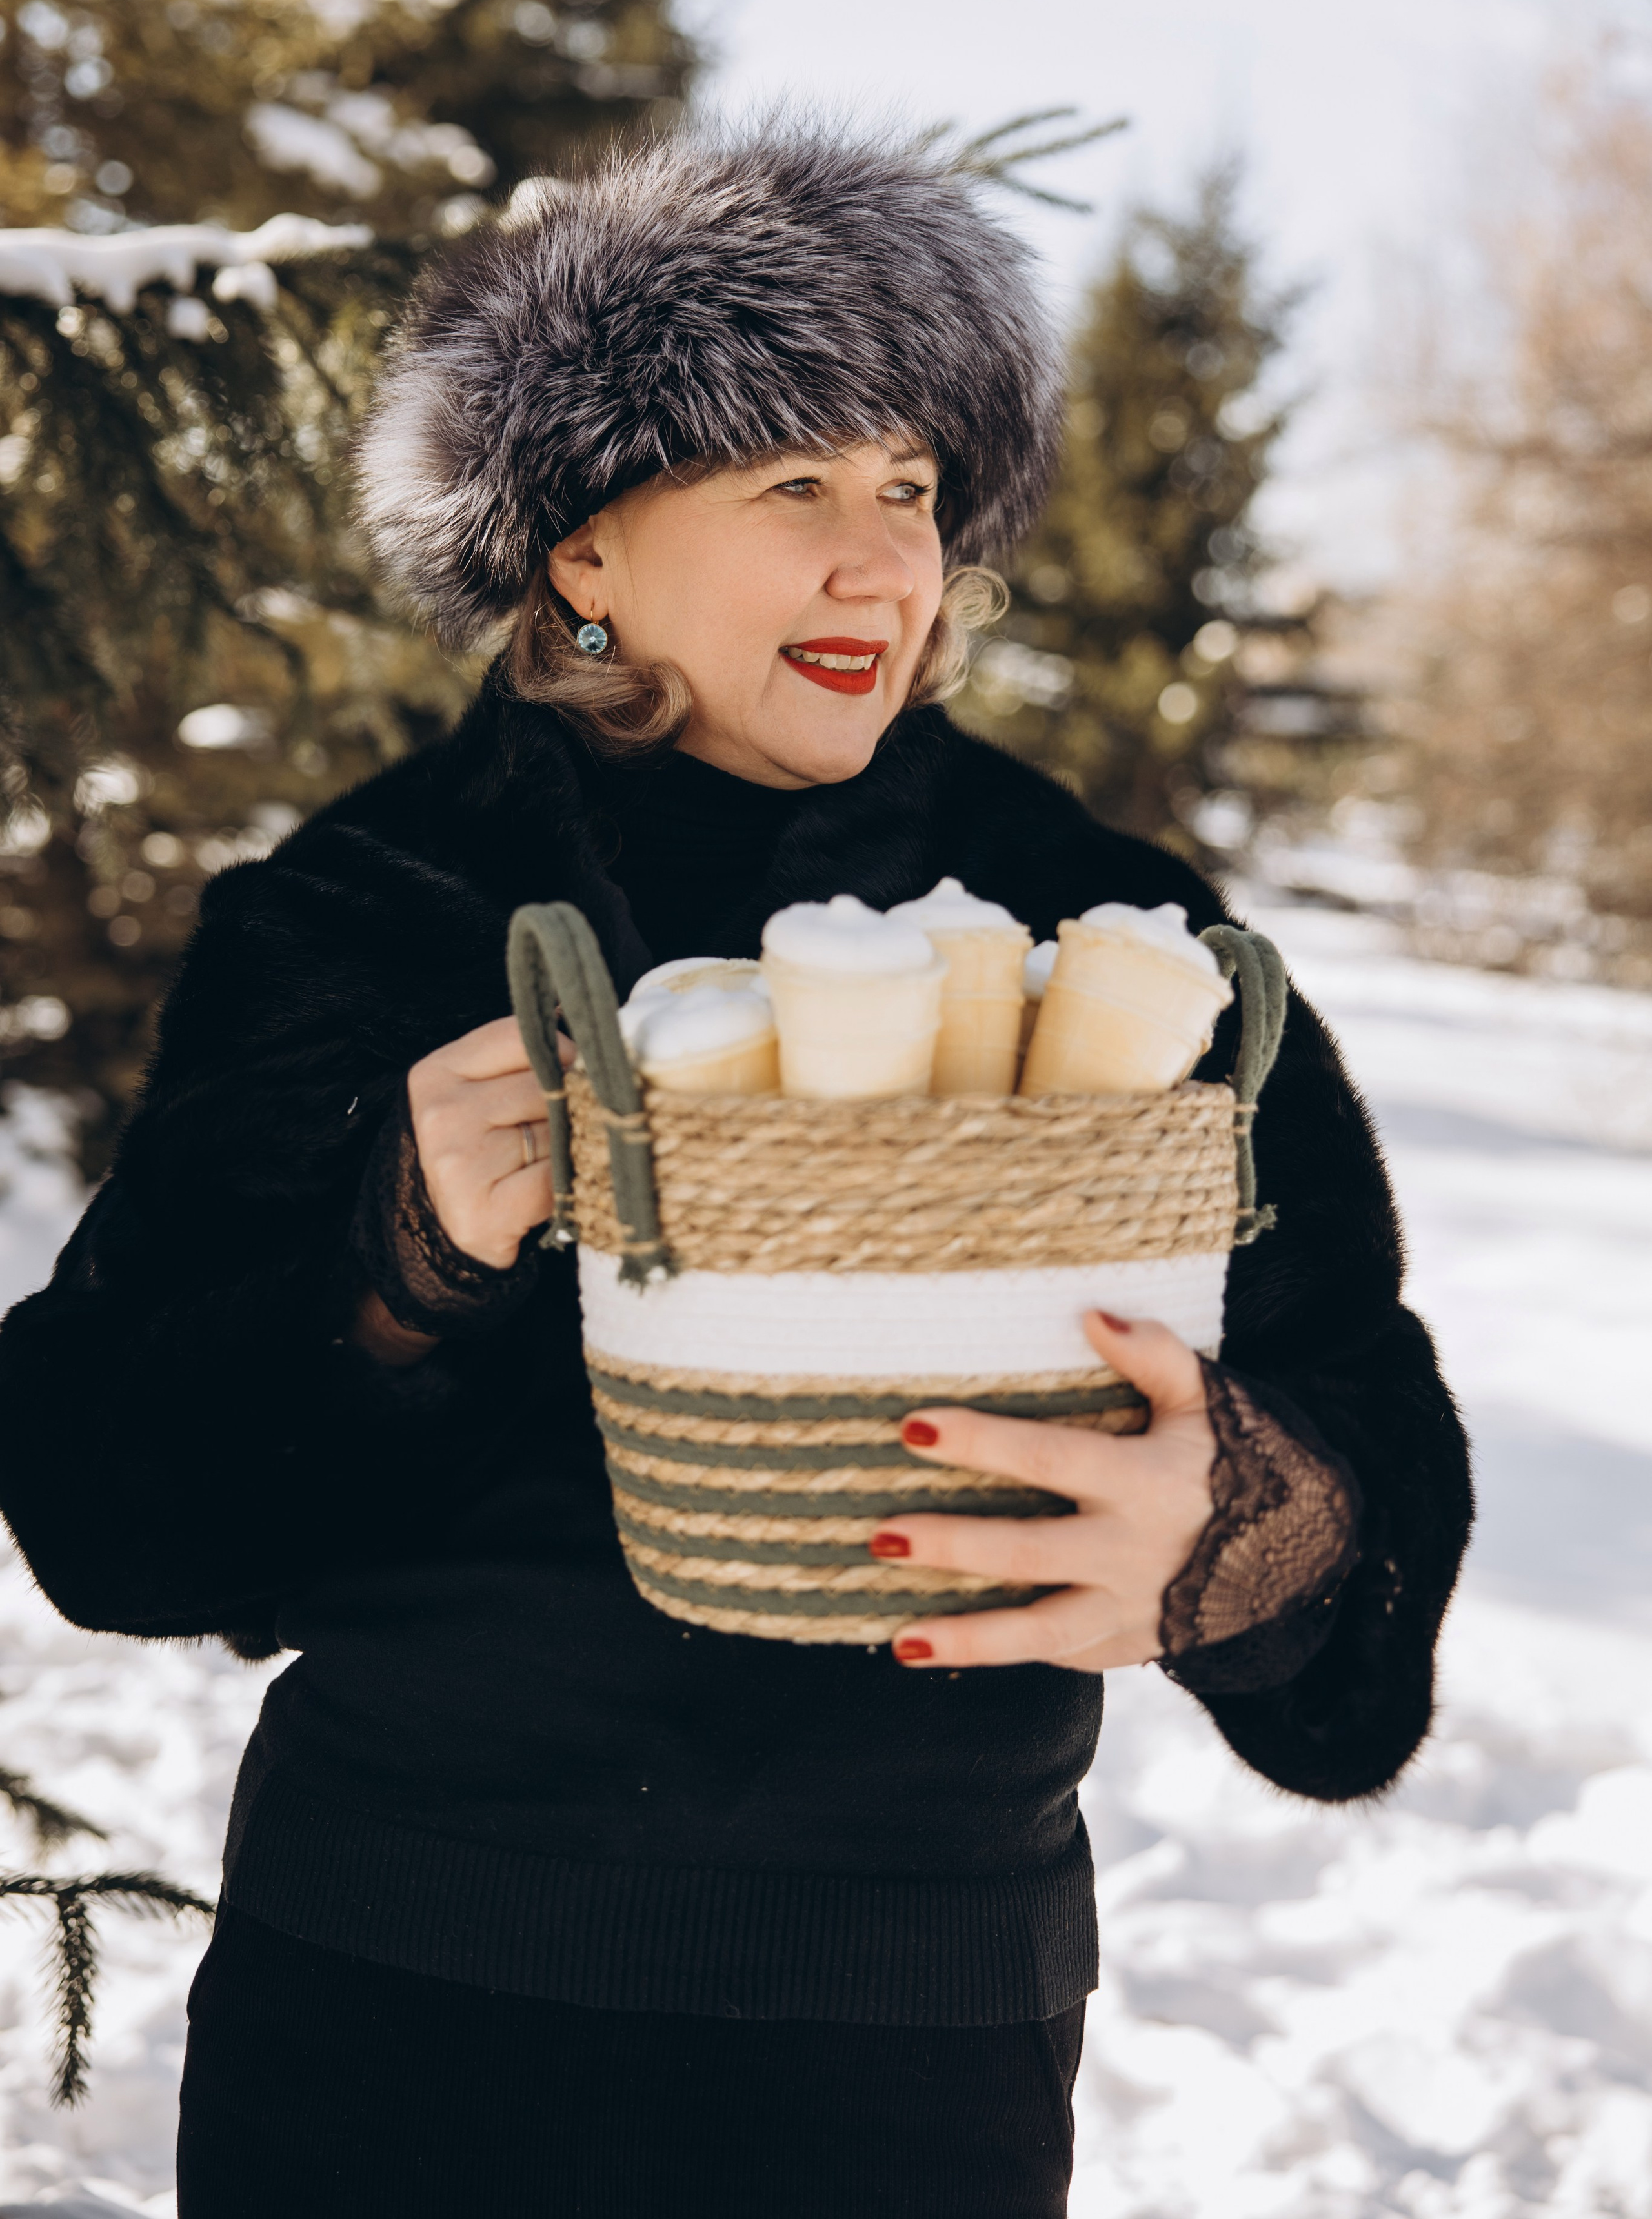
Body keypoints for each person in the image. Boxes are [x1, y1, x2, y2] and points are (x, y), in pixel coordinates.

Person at [0, 123, 1472, 2218]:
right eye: (798, 487)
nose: (887, 563)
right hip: (391, 2018)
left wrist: (1255, 1529)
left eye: (914, 492)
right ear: (581, 546)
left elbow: (1372, 1466)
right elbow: (108, 1519)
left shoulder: (1106, 928)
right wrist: (395, 1254)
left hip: (900, 2051)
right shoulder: (370, 912)